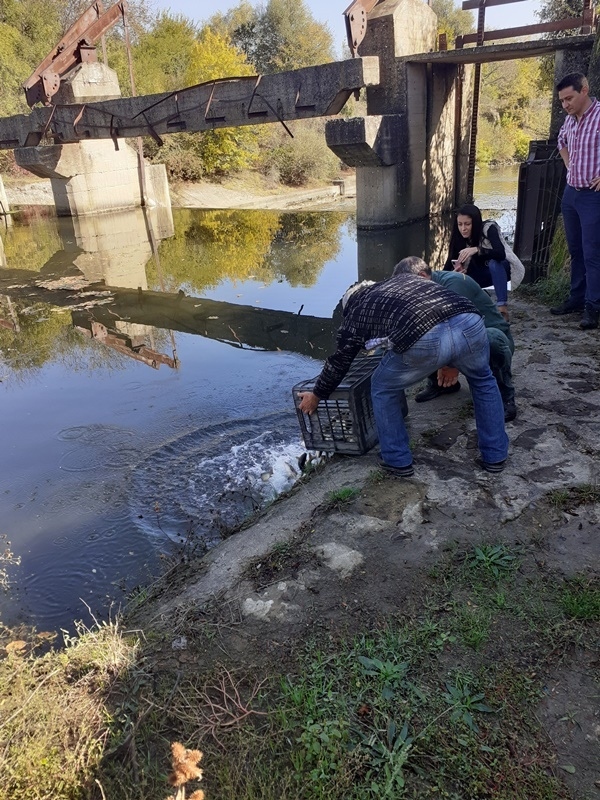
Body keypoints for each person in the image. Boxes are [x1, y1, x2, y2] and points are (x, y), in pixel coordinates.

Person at [297, 272, 509, 476]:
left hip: (427, 335)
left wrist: (316, 395)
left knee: (381, 386)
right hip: (469, 321)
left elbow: (339, 362)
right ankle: (495, 456)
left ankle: (396, 459)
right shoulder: (403, 280)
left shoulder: (356, 310)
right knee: (483, 381)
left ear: (349, 305)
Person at [394, 257, 517, 422]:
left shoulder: (454, 284)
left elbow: (459, 332)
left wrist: (450, 365)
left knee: (492, 339)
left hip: (488, 336)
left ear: (422, 277)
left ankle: (504, 396)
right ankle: (442, 385)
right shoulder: (425, 291)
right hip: (458, 337)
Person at [550, 72, 600, 330]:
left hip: (593, 196)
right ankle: (577, 299)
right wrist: (570, 166)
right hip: (571, 193)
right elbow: (561, 141)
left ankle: (593, 307)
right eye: (561, 101)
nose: (565, 104)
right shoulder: (570, 121)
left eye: (569, 98)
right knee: (576, 250)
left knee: (593, 253)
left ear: (584, 90)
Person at [444, 204, 511, 322]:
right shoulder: (458, 236)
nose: (463, 228)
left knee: (495, 263)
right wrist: (453, 273)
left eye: (467, 224)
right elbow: (450, 262)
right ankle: (480, 298)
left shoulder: (489, 228)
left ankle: (502, 308)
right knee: (456, 277)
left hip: (499, 270)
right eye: (460, 224)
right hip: (476, 274)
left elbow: (501, 254)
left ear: (475, 223)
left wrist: (477, 249)